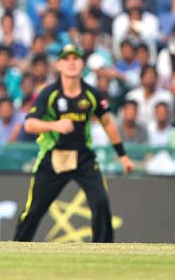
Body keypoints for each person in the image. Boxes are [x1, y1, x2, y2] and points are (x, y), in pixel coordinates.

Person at [13, 44, 134, 243]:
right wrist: (55, 125)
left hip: (83, 157)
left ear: (82, 64)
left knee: (100, 202)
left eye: (75, 59)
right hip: (54, 156)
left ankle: (104, 250)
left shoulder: (91, 95)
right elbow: (30, 124)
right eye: (66, 59)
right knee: (34, 209)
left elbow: (108, 123)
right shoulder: (49, 93)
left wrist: (123, 156)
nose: (71, 63)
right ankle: (17, 246)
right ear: (59, 65)